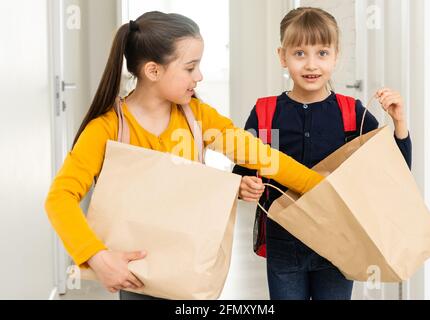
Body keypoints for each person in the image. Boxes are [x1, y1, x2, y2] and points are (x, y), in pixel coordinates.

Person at [44, 11, 324, 300]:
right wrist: (97, 257)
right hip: (137, 275)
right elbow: (60, 198)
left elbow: (262, 156)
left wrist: (320, 187)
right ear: (153, 71)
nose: (199, 76)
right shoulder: (106, 128)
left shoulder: (197, 116)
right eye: (190, 68)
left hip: (190, 270)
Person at [233, 7, 412, 300]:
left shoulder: (351, 113)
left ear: (336, 56)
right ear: (282, 56)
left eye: (322, 53)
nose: (311, 64)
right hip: (284, 239)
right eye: (300, 53)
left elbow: (395, 172)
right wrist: (244, 186)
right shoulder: (266, 112)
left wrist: (400, 124)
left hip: (338, 241)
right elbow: (243, 172)